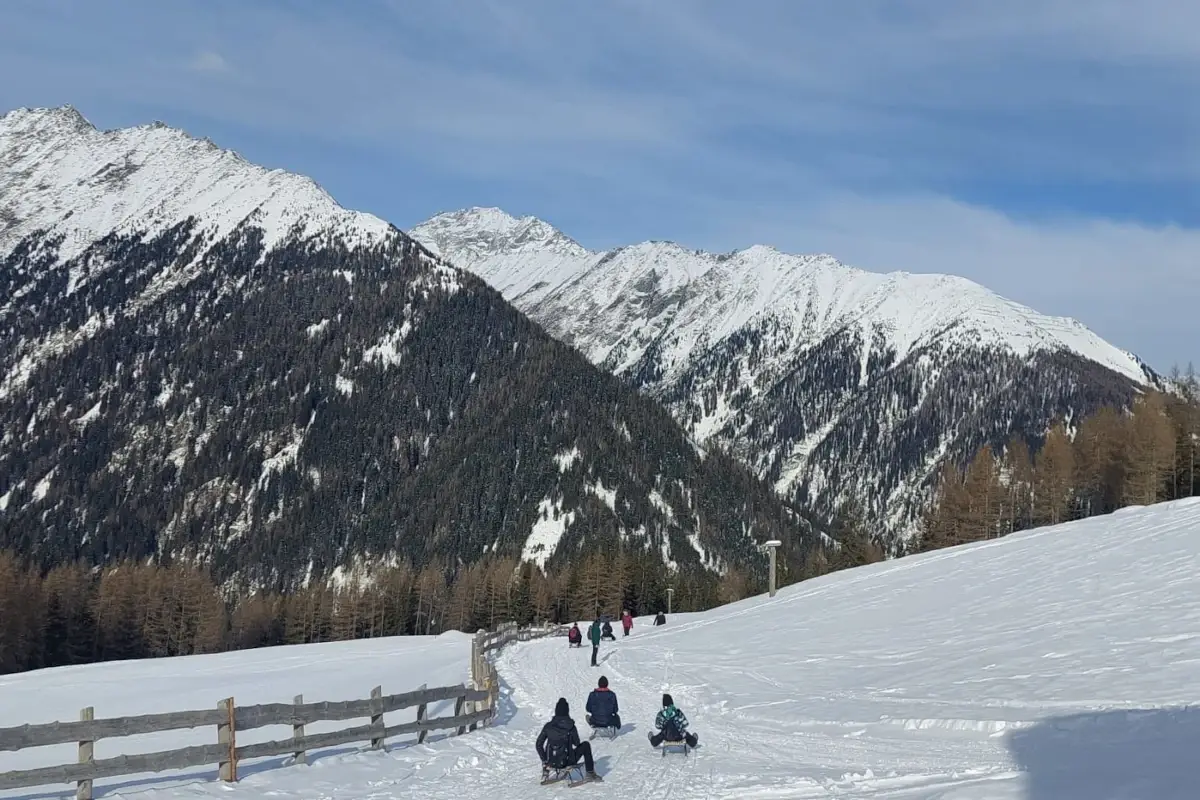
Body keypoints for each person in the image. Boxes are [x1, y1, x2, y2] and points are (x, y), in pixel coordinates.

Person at [537, 698, 601, 782]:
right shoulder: (570, 726)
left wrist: (545, 760)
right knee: (586, 745)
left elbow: (538, 744)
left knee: (548, 747)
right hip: (567, 762)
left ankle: (546, 769)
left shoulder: (548, 726)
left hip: (550, 761)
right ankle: (590, 773)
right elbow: (577, 743)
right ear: (567, 711)